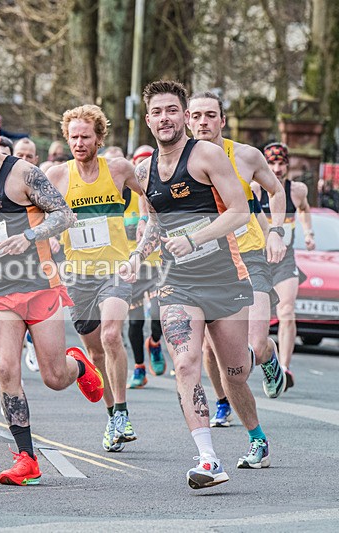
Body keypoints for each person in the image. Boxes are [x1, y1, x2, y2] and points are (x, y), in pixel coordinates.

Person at [123, 80, 272, 489]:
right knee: (186, 363)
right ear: (148, 119)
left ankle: (256, 432)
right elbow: (155, 220)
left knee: (235, 372)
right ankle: (208, 458)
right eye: (157, 112)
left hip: (224, 276)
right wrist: (138, 255)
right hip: (178, 281)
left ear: (184, 116)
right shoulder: (144, 171)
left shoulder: (205, 155)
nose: (164, 118)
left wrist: (194, 239)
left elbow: (240, 212)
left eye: (172, 110)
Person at [0, 106, 103, 485]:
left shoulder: (23, 174)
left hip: (38, 286)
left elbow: (65, 215)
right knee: (5, 369)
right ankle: (26, 458)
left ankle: (78, 365)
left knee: (53, 377)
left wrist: (29, 236)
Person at [47, 104, 144, 452]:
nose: (78, 142)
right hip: (78, 276)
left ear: (99, 138)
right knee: (94, 351)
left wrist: (146, 225)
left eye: (85, 136)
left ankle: (122, 411)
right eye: (73, 136)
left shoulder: (118, 169)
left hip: (115, 269)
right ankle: (111, 418)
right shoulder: (58, 176)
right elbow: (36, 216)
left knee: (112, 334)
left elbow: (151, 196)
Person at [186, 92, 287, 425]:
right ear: (188, 119)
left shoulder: (246, 156)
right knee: (211, 348)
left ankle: (269, 355)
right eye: (197, 115)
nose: (203, 122)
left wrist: (276, 230)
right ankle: (223, 401)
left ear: (222, 120)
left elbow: (276, 190)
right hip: (210, 264)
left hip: (250, 257)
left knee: (254, 343)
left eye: (210, 115)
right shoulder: (179, 161)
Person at [258, 142, 315, 390]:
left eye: (281, 163)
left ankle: (284, 366)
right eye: (271, 163)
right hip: (258, 260)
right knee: (256, 319)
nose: (277, 169)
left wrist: (309, 232)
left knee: (287, 311)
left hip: (285, 260)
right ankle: (264, 360)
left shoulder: (297, 190)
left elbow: (304, 210)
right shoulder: (253, 189)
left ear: (288, 164)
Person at [124, 145, 166, 388]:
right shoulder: (125, 196)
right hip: (134, 266)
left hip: (160, 263)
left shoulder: (162, 193)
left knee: (160, 312)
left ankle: (156, 341)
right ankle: (139, 368)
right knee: (135, 320)